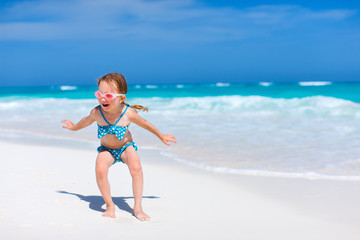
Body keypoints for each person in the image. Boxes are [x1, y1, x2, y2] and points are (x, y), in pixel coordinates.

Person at [61, 73, 176, 221]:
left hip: (125, 147)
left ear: (121, 98)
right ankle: (110, 205)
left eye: (108, 95)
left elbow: (145, 123)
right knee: (100, 169)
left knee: (136, 167)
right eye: (99, 94)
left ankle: (138, 207)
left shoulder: (128, 113)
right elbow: (86, 121)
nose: (102, 98)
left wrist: (161, 136)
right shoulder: (97, 112)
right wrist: (74, 127)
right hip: (106, 149)